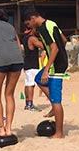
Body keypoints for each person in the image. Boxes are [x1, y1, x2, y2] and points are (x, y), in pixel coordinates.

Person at [25, 9, 69, 139]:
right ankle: (53, 107)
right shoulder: (51, 23)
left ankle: (59, 133)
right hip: (60, 61)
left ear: (33, 18)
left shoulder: (43, 29)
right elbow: (64, 40)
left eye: (28, 24)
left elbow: (54, 48)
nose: (29, 27)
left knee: (56, 99)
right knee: (38, 79)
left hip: (56, 65)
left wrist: (47, 68)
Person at [21, 22, 45, 111]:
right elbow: (42, 46)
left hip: (27, 63)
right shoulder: (32, 38)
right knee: (31, 84)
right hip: (32, 64)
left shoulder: (24, 37)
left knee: (27, 83)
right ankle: (30, 104)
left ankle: (27, 103)